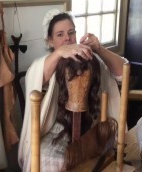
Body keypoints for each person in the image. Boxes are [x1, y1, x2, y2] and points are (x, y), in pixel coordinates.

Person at [18, 9, 128, 172]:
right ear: (50, 41)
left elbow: (123, 73)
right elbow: (34, 79)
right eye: (60, 34)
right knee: (48, 160)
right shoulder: (47, 64)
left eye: (71, 32)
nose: (67, 38)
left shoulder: (90, 57)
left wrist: (99, 49)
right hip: (58, 128)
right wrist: (59, 54)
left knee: (103, 156)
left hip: (91, 123)